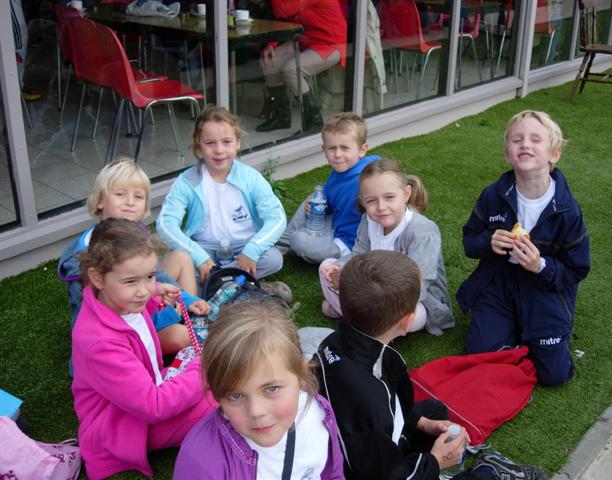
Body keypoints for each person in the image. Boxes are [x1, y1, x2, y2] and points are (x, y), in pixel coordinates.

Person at [315, 251, 549, 480]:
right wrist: (436, 461)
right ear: (408, 321)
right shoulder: (369, 399)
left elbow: (389, 408)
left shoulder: (334, 342)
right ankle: (486, 472)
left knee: (433, 411)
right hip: (361, 465)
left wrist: (421, 423)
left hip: (363, 443)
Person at [72, 218, 216, 479]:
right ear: (97, 277)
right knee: (221, 398)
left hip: (144, 395)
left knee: (216, 378)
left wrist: (156, 289)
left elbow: (137, 292)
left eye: (150, 276)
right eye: (131, 281)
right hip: (121, 428)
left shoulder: (118, 301)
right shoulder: (99, 343)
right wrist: (204, 369)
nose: (143, 291)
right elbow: (154, 406)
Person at [457, 110, 590, 387]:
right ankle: (510, 330)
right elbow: (469, 241)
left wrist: (540, 266)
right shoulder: (493, 195)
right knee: (479, 356)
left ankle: (537, 334)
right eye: (517, 140)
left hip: (543, 290)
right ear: (508, 153)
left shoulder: (567, 210)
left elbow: (577, 268)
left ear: (554, 154)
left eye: (535, 140)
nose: (525, 145)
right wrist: (488, 242)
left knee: (554, 376)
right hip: (499, 284)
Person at [174, 297, 345, 479]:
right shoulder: (201, 462)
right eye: (235, 395)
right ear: (217, 394)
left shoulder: (320, 414)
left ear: (302, 374)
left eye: (271, 389)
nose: (256, 411)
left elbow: (333, 473)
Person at [58, 157, 197, 355]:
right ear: (99, 201)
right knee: (182, 336)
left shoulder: (135, 232)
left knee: (181, 257)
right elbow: (116, 320)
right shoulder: (91, 260)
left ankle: (192, 316)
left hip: (142, 302)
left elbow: (155, 274)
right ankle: (187, 324)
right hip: (122, 332)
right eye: (120, 194)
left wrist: (188, 300)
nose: (130, 202)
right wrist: (168, 316)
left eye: (138, 197)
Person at [156, 106, 290, 294]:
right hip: (204, 249)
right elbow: (165, 223)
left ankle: (214, 286)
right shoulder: (187, 181)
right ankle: (244, 286)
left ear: (237, 143)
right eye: (210, 143)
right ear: (198, 146)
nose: (219, 150)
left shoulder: (251, 178)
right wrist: (199, 257)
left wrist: (252, 249)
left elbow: (277, 218)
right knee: (178, 262)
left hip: (244, 247)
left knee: (273, 259)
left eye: (227, 142)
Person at [319, 158, 454, 335]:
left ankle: (355, 318)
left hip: (410, 300)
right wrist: (339, 267)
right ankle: (363, 321)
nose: (381, 207)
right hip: (372, 289)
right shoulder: (368, 220)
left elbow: (419, 285)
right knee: (326, 266)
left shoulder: (422, 231)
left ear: (406, 193)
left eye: (389, 197)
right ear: (362, 201)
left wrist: (379, 300)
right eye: (371, 201)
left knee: (412, 316)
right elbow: (358, 255)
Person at [279, 112, 380, 264]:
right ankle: (283, 242)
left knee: (299, 241)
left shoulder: (370, 177)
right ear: (324, 149)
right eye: (332, 148)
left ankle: (291, 241)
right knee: (314, 198)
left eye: (345, 148)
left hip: (348, 244)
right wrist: (319, 208)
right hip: (335, 225)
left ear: (362, 150)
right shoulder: (339, 173)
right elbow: (330, 204)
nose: (337, 154)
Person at [256, 0, 348, 132]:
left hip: (331, 44)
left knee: (292, 69)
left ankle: (314, 122)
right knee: (270, 61)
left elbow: (281, 10)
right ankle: (281, 117)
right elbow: (285, 21)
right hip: (307, 41)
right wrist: (272, 44)